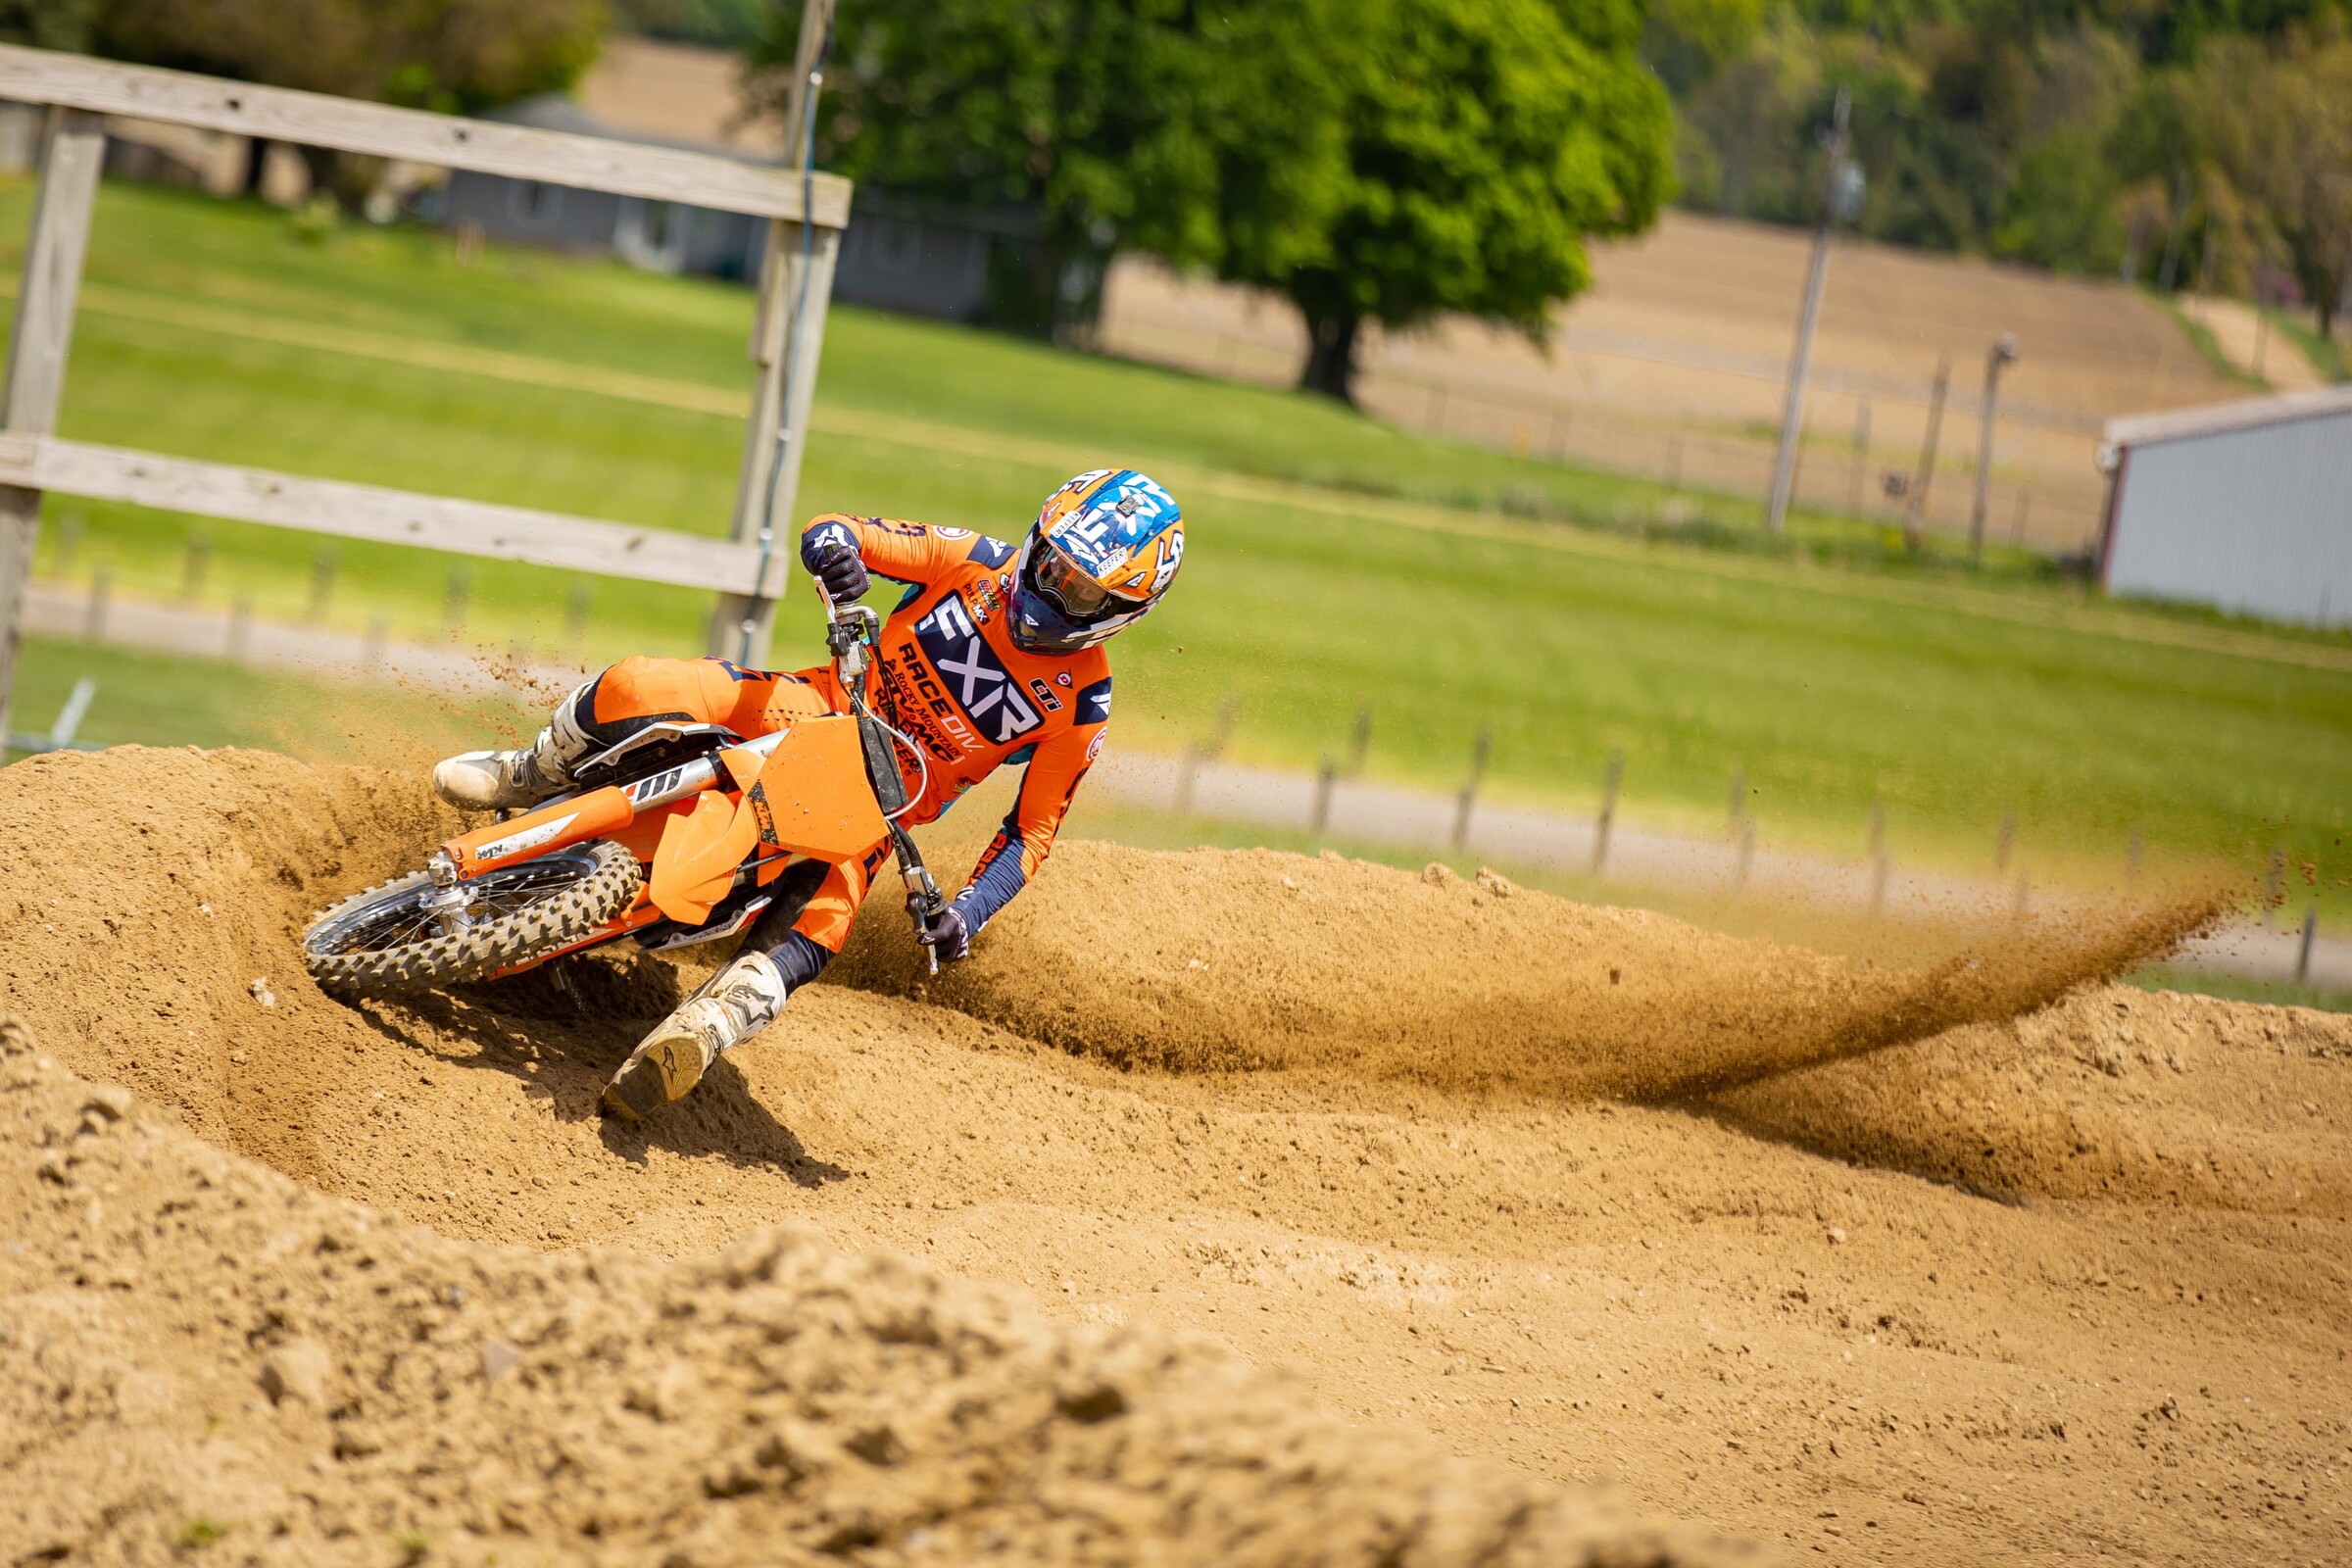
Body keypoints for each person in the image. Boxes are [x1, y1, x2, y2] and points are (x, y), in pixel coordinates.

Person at [432, 469, 1184, 1120]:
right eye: (1051, 563)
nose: (1051, 589)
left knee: (823, 924)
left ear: (1120, 611)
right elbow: (839, 529)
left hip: (880, 809)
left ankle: (708, 1028)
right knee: (646, 684)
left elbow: (1030, 834)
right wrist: (836, 555)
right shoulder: (974, 560)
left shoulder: (1081, 707)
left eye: (1081, 590)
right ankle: (534, 767)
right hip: (811, 704)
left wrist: (968, 912)